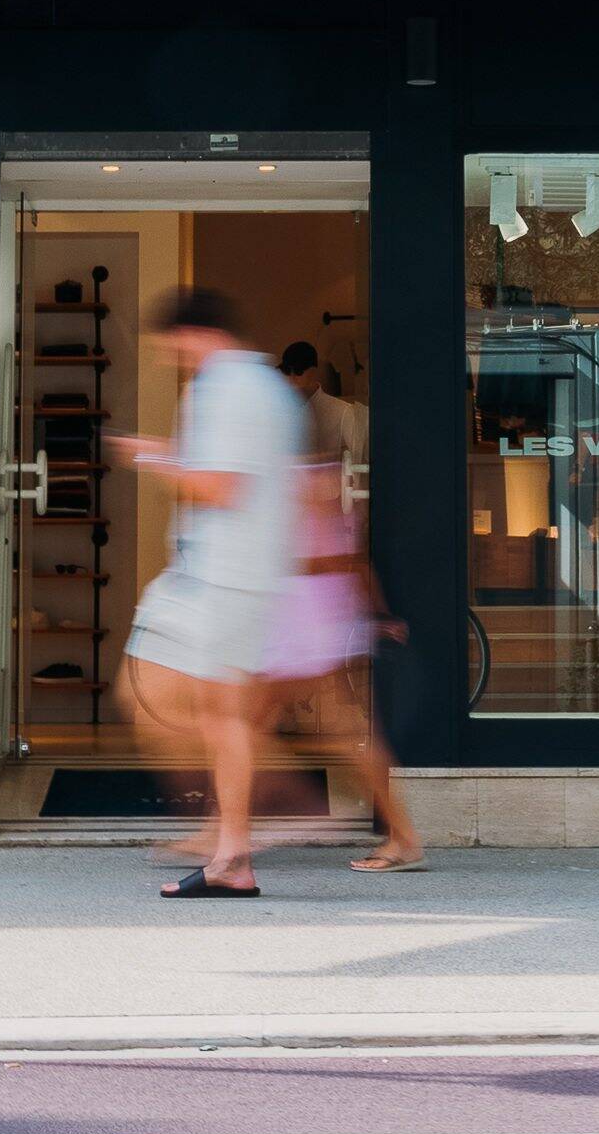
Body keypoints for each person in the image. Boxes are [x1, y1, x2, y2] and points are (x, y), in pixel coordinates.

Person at [114, 287, 303, 899]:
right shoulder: (265, 386)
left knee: (190, 707)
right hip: (226, 574)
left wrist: (152, 458)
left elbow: (222, 488)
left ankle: (247, 835)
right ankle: (233, 834)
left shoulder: (226, 389)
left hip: (223, 577)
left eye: (169, 346)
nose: (169, 357)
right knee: (199, 707)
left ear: (193, 334)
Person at [270, 342, 423, 873]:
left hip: (307, 618)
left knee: (337, 728)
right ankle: (229, 835)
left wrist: (375, 615)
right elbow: (353, 557)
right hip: (304, 615)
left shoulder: (307, 482)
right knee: (246, 720)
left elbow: (342, 557)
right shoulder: (307, 480)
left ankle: (398, 836)